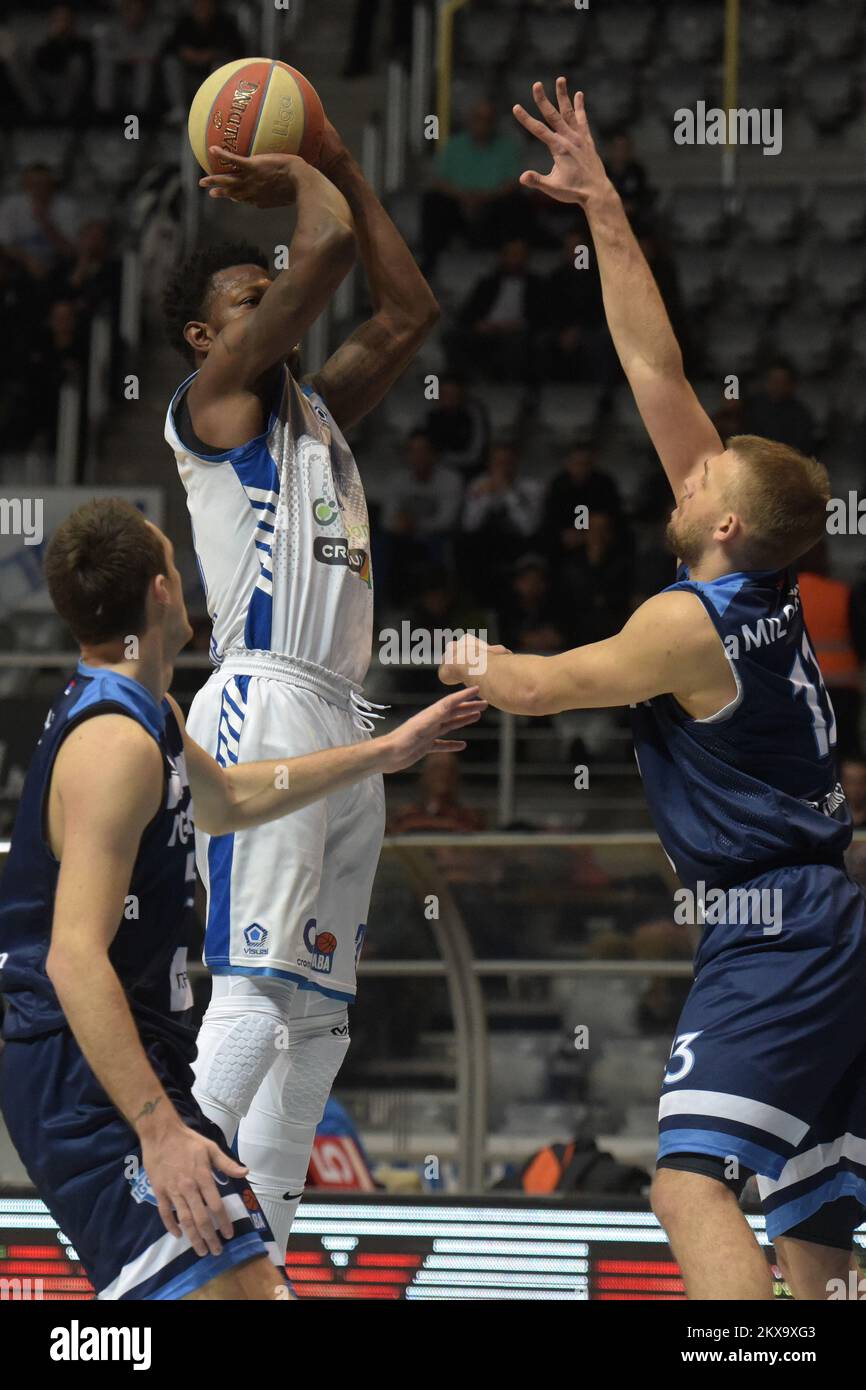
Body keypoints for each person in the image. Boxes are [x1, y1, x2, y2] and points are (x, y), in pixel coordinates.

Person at [439, 78, 866, 1301]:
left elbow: (537, 687)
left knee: (685, 1183)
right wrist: (603, 205)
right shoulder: (759, 582)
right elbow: (648, 359)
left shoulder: (688, 622)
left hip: (771, 924)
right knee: (815, 1232)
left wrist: (458, 653)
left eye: (698, 476)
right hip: (821, 914)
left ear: (723, 519)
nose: (675, 473)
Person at [0, 497, 483, 1301]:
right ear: (161, 591)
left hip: (133, 1054)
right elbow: (73, 957)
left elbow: (228, 798)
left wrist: (383, 752)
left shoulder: (145, 710)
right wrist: (158, 1130)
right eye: (174, 559)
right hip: (80, 1071)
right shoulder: (115, 744)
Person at [162, 116, 440, 1262]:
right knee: (257, 985)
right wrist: (303, 168)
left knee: (319, 1019)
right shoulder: (214, 402)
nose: (265, 298)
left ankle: (261, 1257)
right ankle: (163, 1220)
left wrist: (351, 169)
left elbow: (409, 312)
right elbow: (320, 257)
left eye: (260, 289)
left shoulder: (313, 408)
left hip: (341, 707)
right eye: (243, 294)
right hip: (262, 697)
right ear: (201, 333)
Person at [421, 100, 532, 275]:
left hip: (494, 208)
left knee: (517, 203)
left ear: (494, 123)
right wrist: (464, 198)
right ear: (470, 121)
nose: (482, 124)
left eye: (487, 119)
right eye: (478, 118)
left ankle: (511, 261)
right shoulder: (453, 146)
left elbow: (514, 182)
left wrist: (483, 198)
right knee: (433, 201)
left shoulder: (508, 147)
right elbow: (438, 180)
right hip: (458, 207)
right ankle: (428, 263)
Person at [741, 360, 816, 457]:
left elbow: (801, 449)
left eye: (781, 382)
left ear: (792, 385)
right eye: (773, 381)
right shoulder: (752, 407)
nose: (776, 386)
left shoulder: (801, 414)